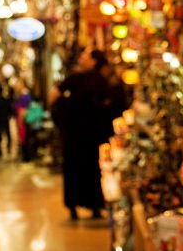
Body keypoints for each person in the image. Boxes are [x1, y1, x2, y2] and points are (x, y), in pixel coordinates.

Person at [51, 49, 127, 220]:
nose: (81, 58)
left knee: (74, 169)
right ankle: (94, 206)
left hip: (74, 136)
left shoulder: (76, 79)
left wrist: (62, 117)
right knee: (93, 170)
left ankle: (73, 207)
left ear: (93, 61)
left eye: (85, 56)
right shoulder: (102, 82)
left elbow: (54, 96)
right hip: (94, 136)